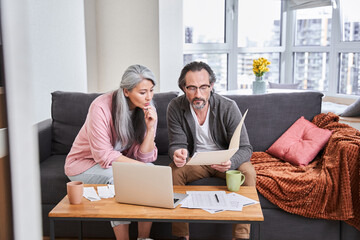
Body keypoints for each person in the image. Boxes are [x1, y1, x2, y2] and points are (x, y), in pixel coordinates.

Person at [65, 64, 158, 240]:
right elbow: (104, 156)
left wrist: (151, 128)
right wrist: (143, 168)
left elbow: (143, 156)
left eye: (151, 90)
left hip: (112, 162)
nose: (149, 97)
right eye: (143, 92)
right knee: (119, 178)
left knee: (151, 170)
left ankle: (143, 238)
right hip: (84, 164)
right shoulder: (100, 107)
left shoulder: (147, 109)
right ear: (126, 91)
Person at [167, 61, 256, 240]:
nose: (198, 94)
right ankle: (181, 236)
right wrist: (178, 153)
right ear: (183, 87)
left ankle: (240, 237)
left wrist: (232, 162)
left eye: (203, 87)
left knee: (248, 172)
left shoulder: (228, 107)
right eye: (191, 88)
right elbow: (176, 144)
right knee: (173, 171)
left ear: (212, 86)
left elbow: (246, 147)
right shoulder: (175, 107)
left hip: (226, 162)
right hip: (196, 161)